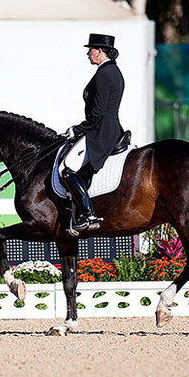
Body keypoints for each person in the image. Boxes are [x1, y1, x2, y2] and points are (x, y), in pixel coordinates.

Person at [59, 33, 126, 235]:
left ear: (99, 52)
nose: (88, 54)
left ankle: (87, 213)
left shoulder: (104, 74)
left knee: (67, 169)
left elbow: (98, 112)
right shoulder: (112, 71)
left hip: (101, 130)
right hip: (107, 127)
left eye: (90, 50)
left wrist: (77, 129)